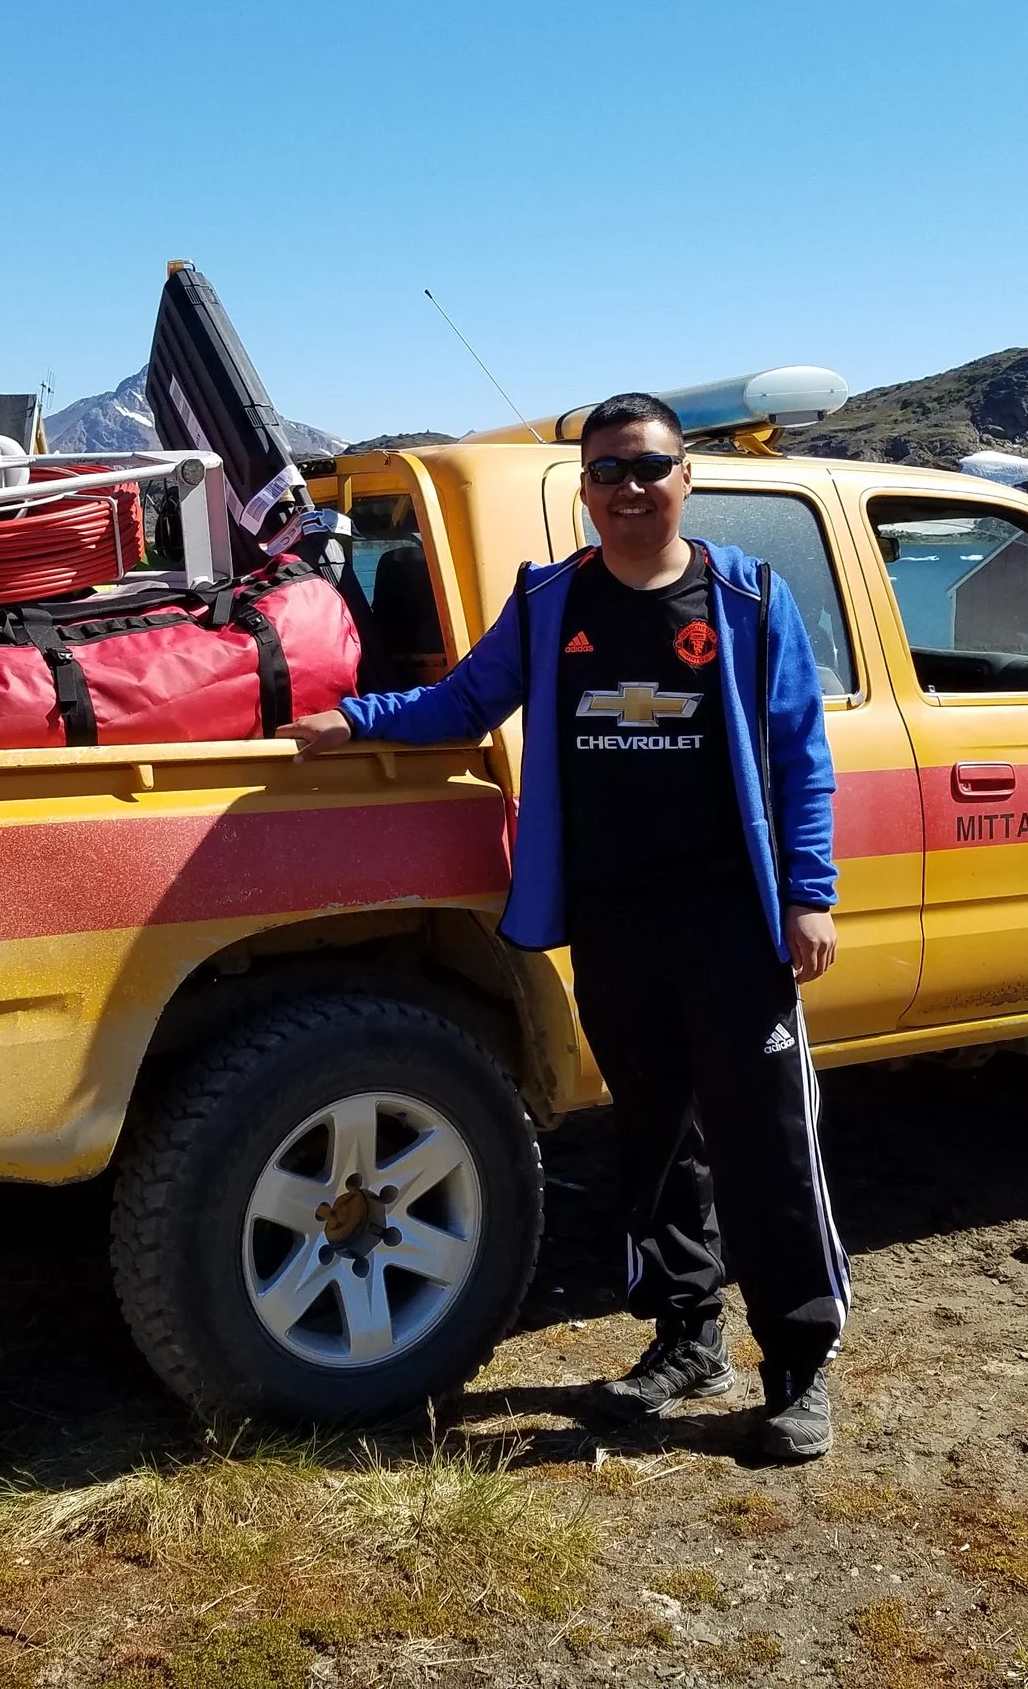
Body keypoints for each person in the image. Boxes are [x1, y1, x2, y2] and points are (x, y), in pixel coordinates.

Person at [281, 392, 849, 1461]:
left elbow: (797, 757)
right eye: (607, 473)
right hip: (614, 919)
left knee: (765, 1145)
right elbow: (461, 702)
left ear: (687, 477)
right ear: (581, 490)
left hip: (735, 922)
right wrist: (352, 718)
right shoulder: (550, 605)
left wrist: (808, 895)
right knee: (656, 1139)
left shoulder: (748, 599)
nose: (628, 490)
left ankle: (796, 1363)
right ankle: (686, 1338)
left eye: (648, 468)